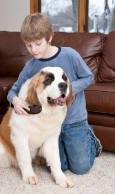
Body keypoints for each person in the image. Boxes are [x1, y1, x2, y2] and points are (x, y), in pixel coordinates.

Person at [7, 12, 102, 175]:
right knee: (58, 166)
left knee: (80, 167)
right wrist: (14, 100)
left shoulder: (70, 55)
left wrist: (67, 90)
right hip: (50, 125)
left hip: (74, 120)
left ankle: (90, 137)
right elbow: (13, 90)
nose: (34, 50)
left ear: (49, 37)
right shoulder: (31, 66)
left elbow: (88, 77)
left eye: (38, 43)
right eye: (28, 45)